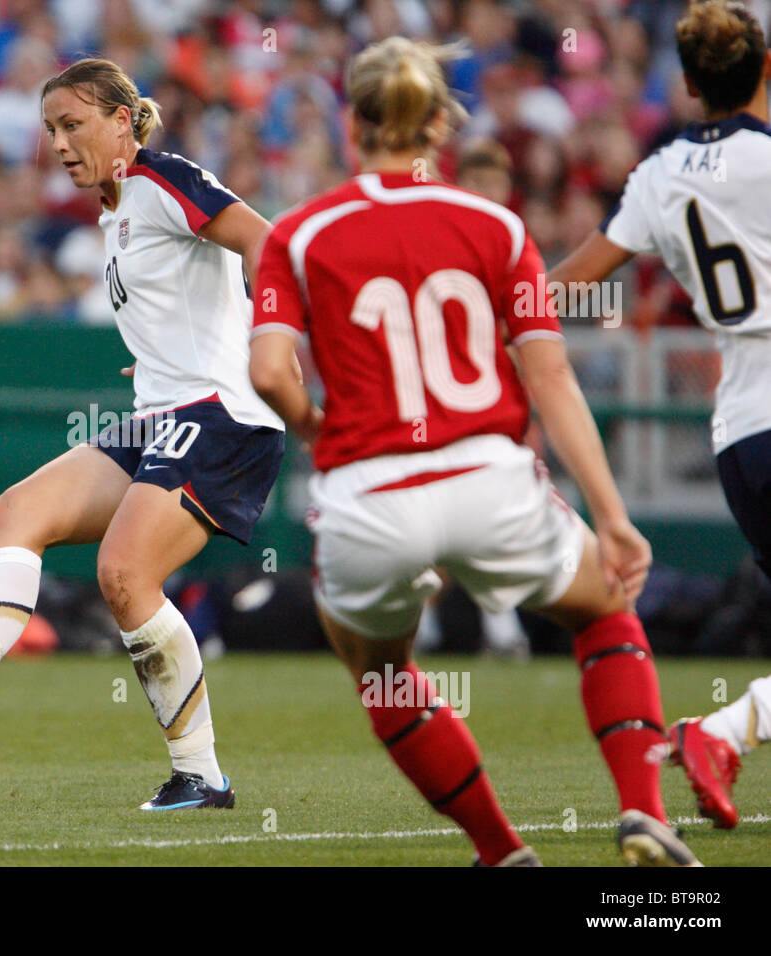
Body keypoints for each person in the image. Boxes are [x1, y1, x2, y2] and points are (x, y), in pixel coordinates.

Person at [249, 36, 695, 865]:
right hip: (487, 475)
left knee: (378, 668)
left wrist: (313, 423)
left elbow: (270, 372)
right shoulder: (495, 224)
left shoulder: (301, 234)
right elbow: (553, 377)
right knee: (602, 612)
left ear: (355, 122)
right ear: (440, 127)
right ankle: (644, 813)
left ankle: (501, 851)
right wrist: (612, 512)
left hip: (367, 493)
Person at [0, 58, 285, 811]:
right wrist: (156, 362)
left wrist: (271, 346)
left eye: (73, 124)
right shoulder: (116, 211)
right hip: (163, 413)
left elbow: (269, 244)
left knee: (124, 577)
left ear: (122, 121)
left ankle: (202, 776)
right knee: (15, 513)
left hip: (221, 418)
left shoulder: (160, 179)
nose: (58, 142)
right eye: (50, 129)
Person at [548, 0, 771, 831]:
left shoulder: (657, 176)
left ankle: (727, 730)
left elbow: (568, 281)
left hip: (738, 433)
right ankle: (722, 733)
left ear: (685, 85)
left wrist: (485, 315)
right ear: (766, 70)